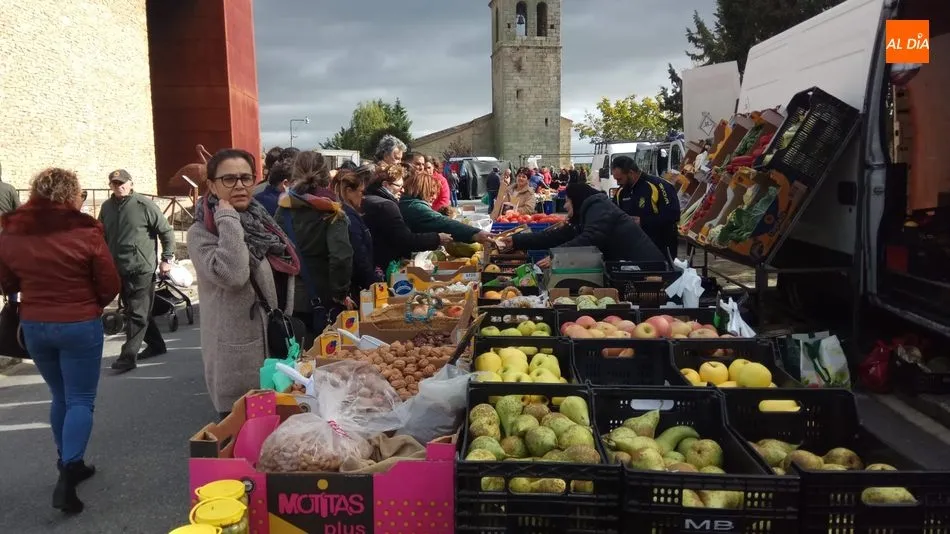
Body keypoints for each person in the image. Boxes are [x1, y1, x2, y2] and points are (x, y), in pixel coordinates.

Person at [0, 168, 121, 514]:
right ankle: (70, 471)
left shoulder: (12, 230)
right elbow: (109, 282)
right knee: (81, 399)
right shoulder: (84, 231)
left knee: (60, 396)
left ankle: (67, 460)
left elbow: (6, 281)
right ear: (71, 195)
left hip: (35, 323)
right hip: (79, 322)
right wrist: (95, 303)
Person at [188, 149, 300, 419]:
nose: (239, 185)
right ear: (212, 185)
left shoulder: (260, 220)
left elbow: (287, 266)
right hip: (237, 360)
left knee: (278, 443)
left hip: (274, 351)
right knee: (244, 441)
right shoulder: (202, 232)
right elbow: (233, 275)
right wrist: (227, 219)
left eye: (245, 178)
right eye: (229, 179)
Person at [99, 169, 176, 372]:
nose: (119, 186)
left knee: (137, 314)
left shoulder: (144, 205)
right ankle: (157, 345)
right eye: (115, 183)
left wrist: (167, 258)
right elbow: (101, 235)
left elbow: (166, 232)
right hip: (118, 268)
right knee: (137, 310)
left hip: (141, 267)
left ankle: (127, 357)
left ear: (131, 183)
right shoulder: (106, 207)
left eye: (122, 183)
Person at [276, 151, 354, 340]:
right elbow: (341, 255)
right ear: (326, 176)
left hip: (289, 297)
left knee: (300, 357)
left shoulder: (283, 208)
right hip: (324, 294)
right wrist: (340, 292)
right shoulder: (331, 209)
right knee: (327, 357)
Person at [500, 183, 666, 266]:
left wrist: (557, 257)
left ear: (577, 199)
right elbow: (555, 236)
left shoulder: (599, 207)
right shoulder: (585, 214)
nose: (564, 206)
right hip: (628, 267)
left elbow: (591, 238)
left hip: (646, 268)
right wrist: (517, 240)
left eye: (567, 201)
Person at [362, 164, 451, 271]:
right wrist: (437, 238)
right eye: (399, 186)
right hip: (385, 267)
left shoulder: (369, 200)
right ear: (385, 185)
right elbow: (404, 239)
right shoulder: (387, 206)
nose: (403, 190)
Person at [611, 155, 680, 261]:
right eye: (616, 179)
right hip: (634, 250)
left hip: (660, 249)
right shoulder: (621, 192)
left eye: (620, 179)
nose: (617, 183)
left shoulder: (658, 186)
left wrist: (643, 221)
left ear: (631, 173)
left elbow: (673, 215)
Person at [399, 167, 492, 244]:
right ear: (422, 190)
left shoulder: (407, 203)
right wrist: (475, 233)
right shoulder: (415, 207)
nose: (434, 197)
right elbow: (442, 222)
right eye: (432, 193)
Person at [333, 166, 381, 300]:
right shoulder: (349, 217)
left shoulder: (347, 214)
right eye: (361, 191)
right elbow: (359, 254)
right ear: (348, 192)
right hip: (357, 287)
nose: (363, 196)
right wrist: (373, 283)